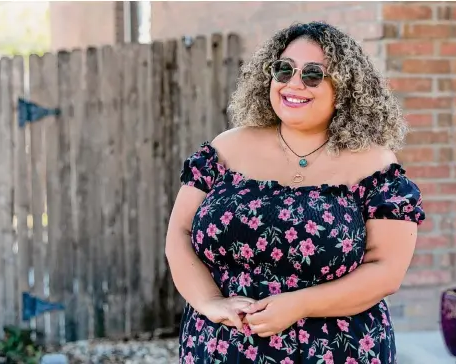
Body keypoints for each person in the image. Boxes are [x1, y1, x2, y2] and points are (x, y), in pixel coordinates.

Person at [166, 21, 425, 364]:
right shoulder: (226, 149)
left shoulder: (375, 167)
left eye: (313, 74)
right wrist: (211, 302)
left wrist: (299, 304)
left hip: (336, 350)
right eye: (283, 69)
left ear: (345, 88)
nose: (293, 84)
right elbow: (178, 235)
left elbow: (386, 271)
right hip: (220, 347)